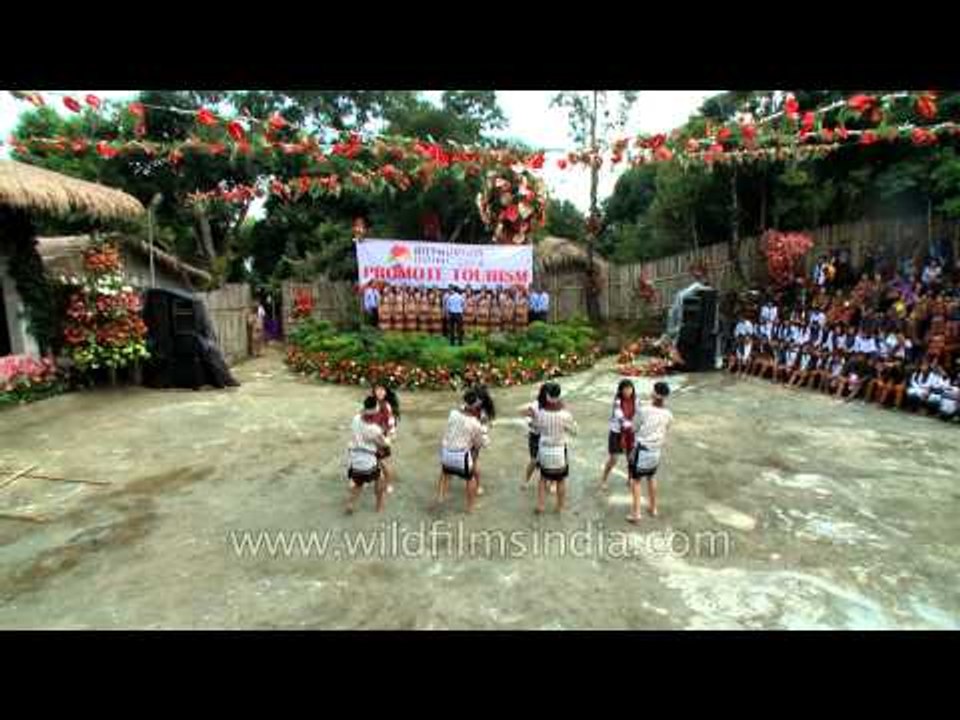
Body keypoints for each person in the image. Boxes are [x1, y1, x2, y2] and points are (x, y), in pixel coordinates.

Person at [527, 382, 577, 514]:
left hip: (544, 449)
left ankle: (540, 505)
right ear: (559, 396)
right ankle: (559, 507)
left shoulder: (541, 413)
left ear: (547, 396)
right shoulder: (565, 414)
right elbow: (575, 431)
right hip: (559, 450)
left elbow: (534, 427)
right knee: (560, 480)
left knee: (543, 479)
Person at [436, 389, 490, 513]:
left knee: (444, 474)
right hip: (461, 456)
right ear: (477, 406)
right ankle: (470, 507)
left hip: (446, 452)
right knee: (470, 479)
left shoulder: (453, 413)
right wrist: (484, 430)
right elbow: (482, 443)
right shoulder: (475, 423)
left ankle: (440, 498)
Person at [626, 381, 674, 522]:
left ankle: (636, 513)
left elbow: (634, 427)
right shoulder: (668, 414)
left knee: (636, 481)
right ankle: (653, 508)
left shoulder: (644, 409)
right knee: (651, 477)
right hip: (656, 450)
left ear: (654, 393)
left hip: (642, 448)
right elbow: (667, 428)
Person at [346, 396, 390, 515]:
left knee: (358, 482)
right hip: (367, 460)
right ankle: (379, 505)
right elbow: (384, 444)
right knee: (379, 479)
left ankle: (351, 503)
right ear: (375, 409)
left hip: (354, 458)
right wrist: (386, 438)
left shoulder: (355, 419)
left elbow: (362, 413)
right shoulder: (374, 429)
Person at [599, 380, 638, 491]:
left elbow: (639, 414)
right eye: (625, 389)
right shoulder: (617, 401)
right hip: (616, 433)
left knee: (631, 458)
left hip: (630, 433)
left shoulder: (636, 400)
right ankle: (604, 479)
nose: (628, 391)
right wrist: (630, 424)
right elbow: (620, 416)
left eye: (630, 388)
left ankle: (630, 478)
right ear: (620, 390)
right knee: (613, 459)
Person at [371, 382, 400, 494]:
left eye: (382, 389)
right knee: (374, 462)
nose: (380, 392)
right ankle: (377, 481)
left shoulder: (386, 406)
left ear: (386, 392)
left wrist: (390, 437)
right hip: (372, 438)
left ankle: (388, 483)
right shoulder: (372, 403)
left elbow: (391, 422)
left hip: (382, 439)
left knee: (384, 463)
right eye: (377, 389)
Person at [469, 385, 496, 496]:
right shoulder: (479, 408)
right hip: (470, 436)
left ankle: (478, 484)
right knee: (471, 461)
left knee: (473, 462)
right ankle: (475, 483)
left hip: (475, 438)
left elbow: (485, 426)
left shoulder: (482, 412)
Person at [522, 383, 550, 488]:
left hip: (547, 435)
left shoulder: (553, 405)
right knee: (533, 460)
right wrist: (532, 423)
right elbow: (527, 417)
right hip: (535, 435)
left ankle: (549, 482)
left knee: (547, 460)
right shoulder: (535, 405)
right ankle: (526, 480)